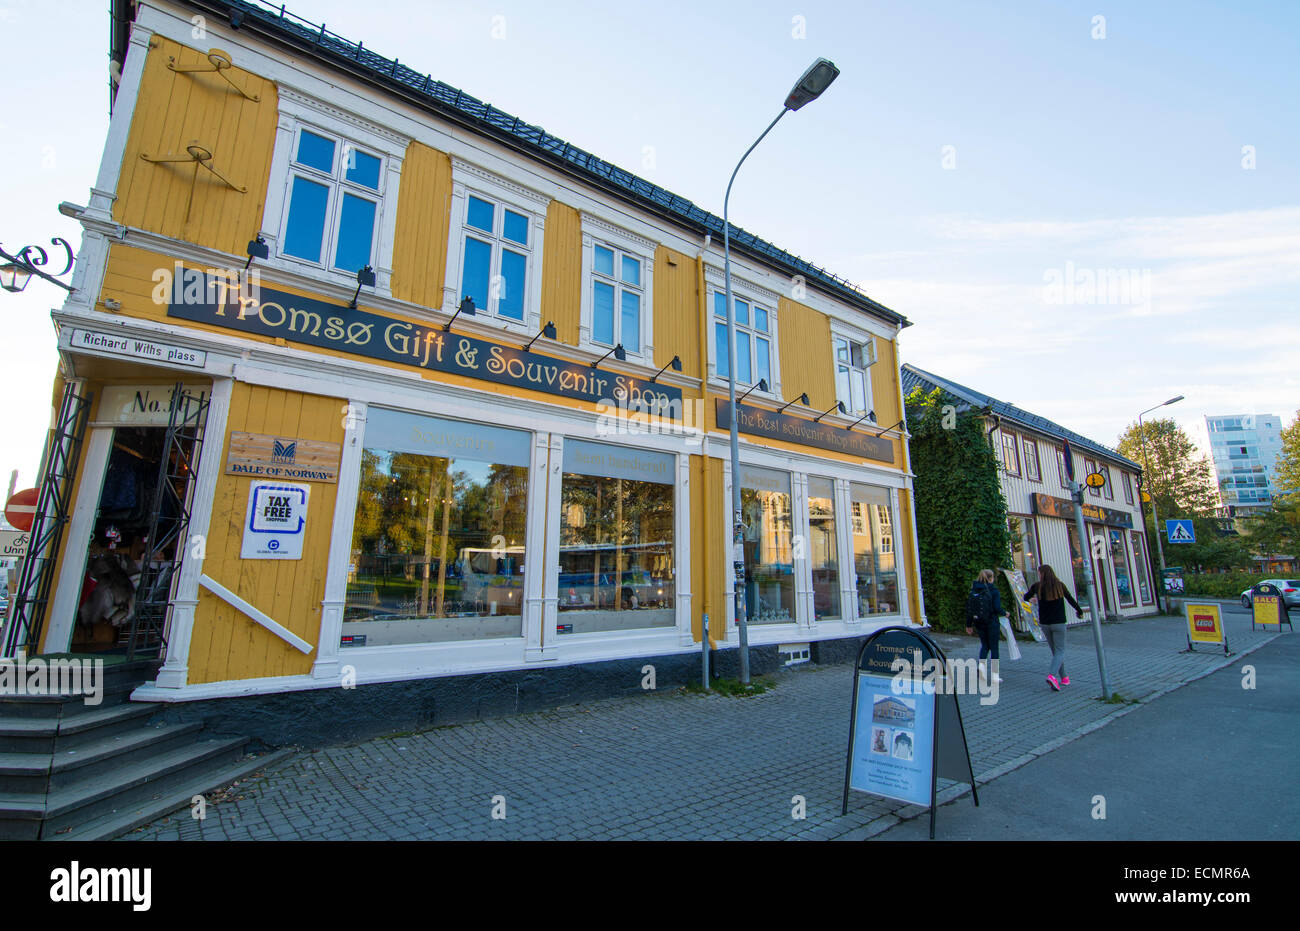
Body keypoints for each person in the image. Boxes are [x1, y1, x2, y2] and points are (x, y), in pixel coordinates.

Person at [1026, 565, 1083, 691]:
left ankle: (1064, 678)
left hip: (1045, 623)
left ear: (1041, 574)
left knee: (1055, 651)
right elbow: (1070, 600)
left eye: (1039, 573)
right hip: (1059, 622)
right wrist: (1079, 611)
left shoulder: (1037, 586)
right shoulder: (1059, 585)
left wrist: (1034, 599)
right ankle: (1052, 676)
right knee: (1060, 651)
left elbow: (1025, 597)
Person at [965, 569, 1003, 684]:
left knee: (985, 645)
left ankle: (981, 669)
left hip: (979, 622)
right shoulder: (993, 590)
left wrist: (968, 624)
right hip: (992, 621)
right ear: (991, 578)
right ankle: (995, 675)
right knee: (994, 648)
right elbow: (997, 607)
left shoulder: (974, 590)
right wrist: (1004, 613)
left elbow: (970, 608)